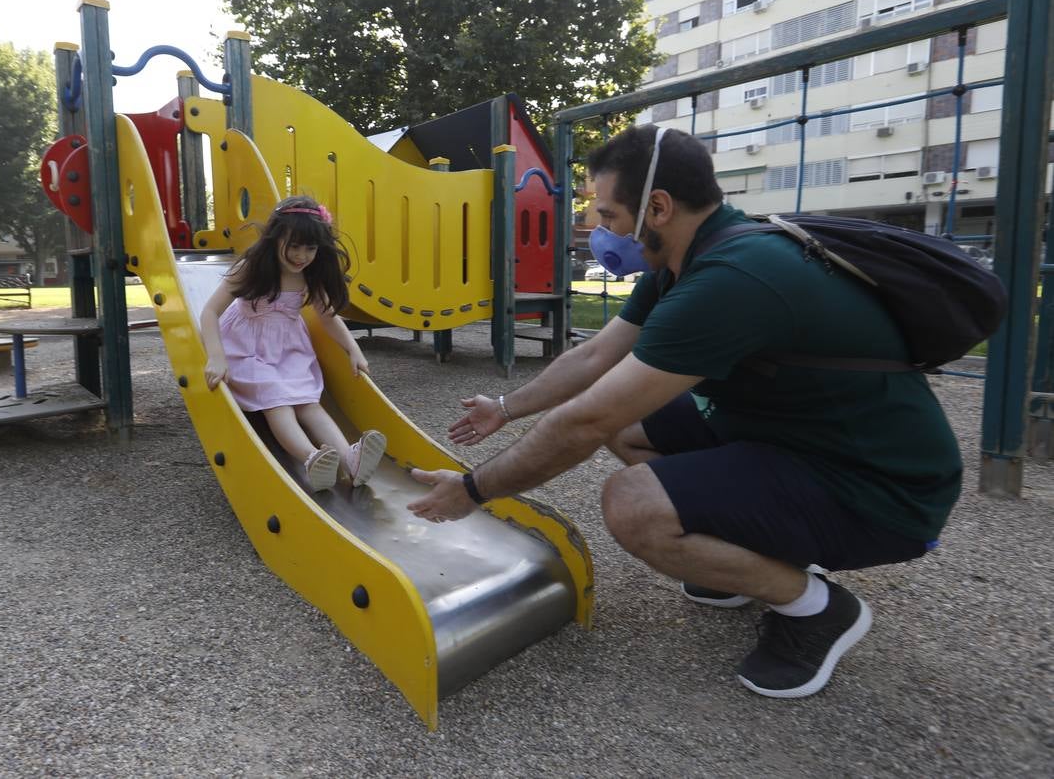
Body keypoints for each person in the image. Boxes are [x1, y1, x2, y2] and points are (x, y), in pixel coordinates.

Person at [407, 125, 962, 699]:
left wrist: (472, 490)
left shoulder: (731, 279)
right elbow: (598, 354)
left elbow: (583, 422)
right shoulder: (689, 256)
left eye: (609, 214)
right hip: (798, 441)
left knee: (632, 506)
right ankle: (738, 563)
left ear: (659, 207)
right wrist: (505, 406)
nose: (600, 231)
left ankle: (816, 609)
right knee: (631, 426)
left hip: (881, 489)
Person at [201, 195, 387, 493]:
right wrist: (216, 356)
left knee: (307, 402)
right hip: (246, 349)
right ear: (275, 239)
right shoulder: (252, 267)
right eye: (294, 246)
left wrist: (353, 349)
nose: (301, 256)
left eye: (310, 248)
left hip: (287, 347)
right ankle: (311, 457)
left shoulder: (310, 276)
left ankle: (350, 459)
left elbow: (327, 317)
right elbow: (210, 312)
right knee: (278, 401)